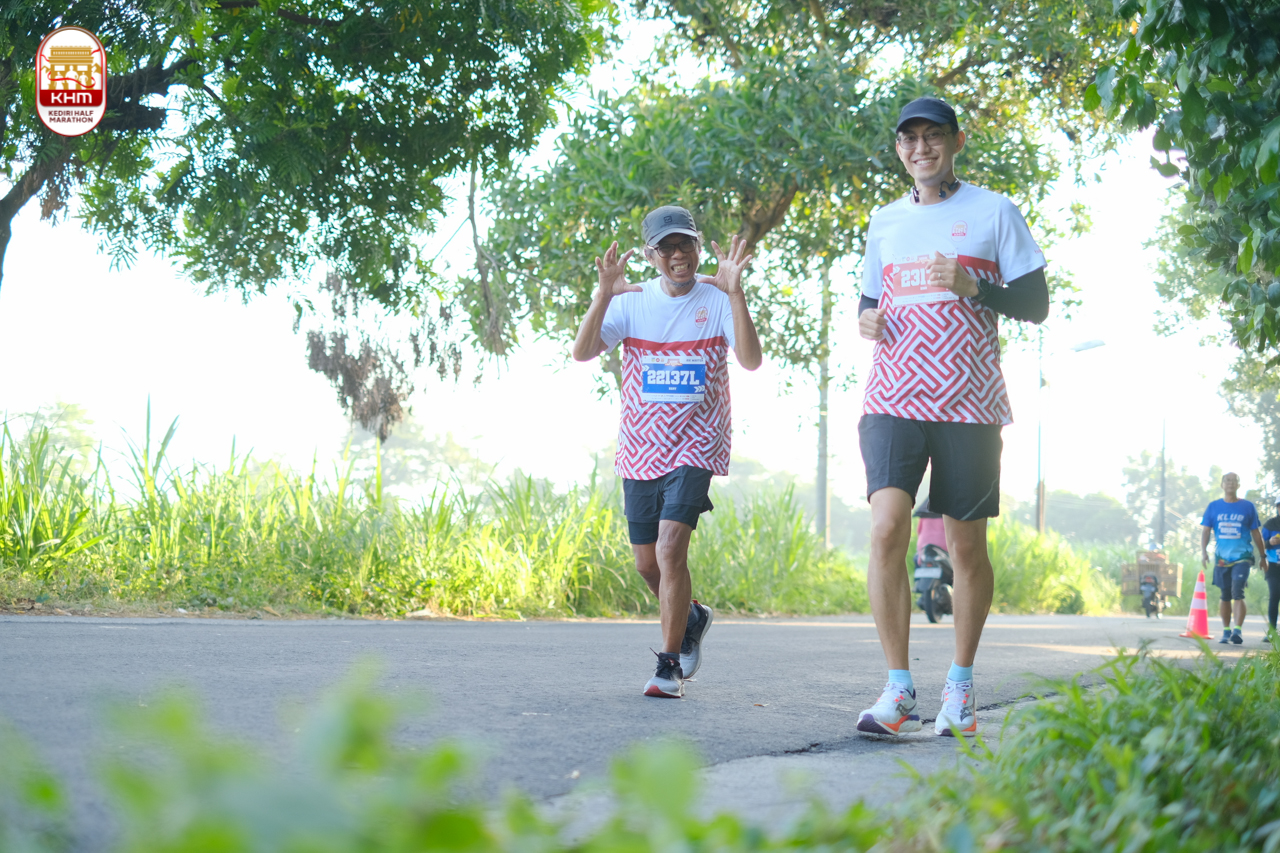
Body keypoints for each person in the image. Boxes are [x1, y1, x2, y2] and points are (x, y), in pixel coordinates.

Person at [854, 96, 1049, 737]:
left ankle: (959, 689)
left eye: (932, 136)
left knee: (966, 546)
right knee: (887, 528)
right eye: (909, 139)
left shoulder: (994, 212)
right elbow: (869, 300)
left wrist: (974, 288)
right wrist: (865, 320)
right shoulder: (885, 222)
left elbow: (1036, 304)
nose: (921, 149)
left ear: (957, 141)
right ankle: (898, 688)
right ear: (899, 150)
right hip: (893, 396)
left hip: (969, 401)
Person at [571, 205, 763, 698]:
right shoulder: (632, 301)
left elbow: (750, 360)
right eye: (667, 247)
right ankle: (692, 616)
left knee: (671, 546)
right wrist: (602, 295)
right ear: (650, 254)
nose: (678, 255)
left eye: (686, 244)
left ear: (698, 246)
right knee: (646, 564)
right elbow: (583, 351)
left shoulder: (717, 298)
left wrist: (736, 293)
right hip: (640, 446)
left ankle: (669, 665)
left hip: (697, 442)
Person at [1199, 472, 1268, 644]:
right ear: (1222, 485)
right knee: (1225, 595)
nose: (1230, 483)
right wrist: (1204, 552)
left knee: (1238, 591)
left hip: (1242, 557)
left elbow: (1256, 533)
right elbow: (1206, 531)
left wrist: (1263, 556)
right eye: (1227, 480)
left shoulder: (1247, 507)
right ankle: (1226, 630)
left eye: (1234, 481)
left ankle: (1237, 630)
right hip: (1222, 558)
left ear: (1238, 485)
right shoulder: (1214, 507)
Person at [1263, 499, 1280, 644]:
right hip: (1273, 566)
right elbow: (1260, 543)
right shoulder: (1270, 524)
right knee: (1274, 595)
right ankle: (1272, 631)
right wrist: (1270, 542)